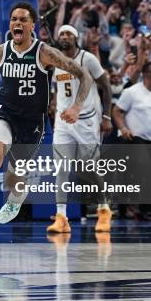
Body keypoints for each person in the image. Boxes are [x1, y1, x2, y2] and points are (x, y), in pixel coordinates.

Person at [0, 3, 93, 249]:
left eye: (23, 20)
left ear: (32, 26)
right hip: (5, 115)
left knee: (16, 178)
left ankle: (16, 199)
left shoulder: (45, 52)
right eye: (14, 19)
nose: (17, 23)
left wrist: (76, 106)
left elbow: (84, 75)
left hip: (32, 123)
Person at [43, 24, 113, 234]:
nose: (64, 37)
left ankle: (103, 209)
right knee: (62, 168)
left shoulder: (87, 59)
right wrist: (55, 105)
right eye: (61, 34)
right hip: (64, 121)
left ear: (75, 38)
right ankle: (61, 217)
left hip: (87, 120)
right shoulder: (55, 61)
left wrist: (107, 116)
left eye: (68, 34)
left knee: (89, 168)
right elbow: (58, 89)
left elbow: (106, 86)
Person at [112, 61, 151, 221]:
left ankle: (146, 210)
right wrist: (123, 129)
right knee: (137, 171)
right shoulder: (132, 92)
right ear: (145, 74)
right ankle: (127, 207)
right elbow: (116, 111)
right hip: (133, 139)